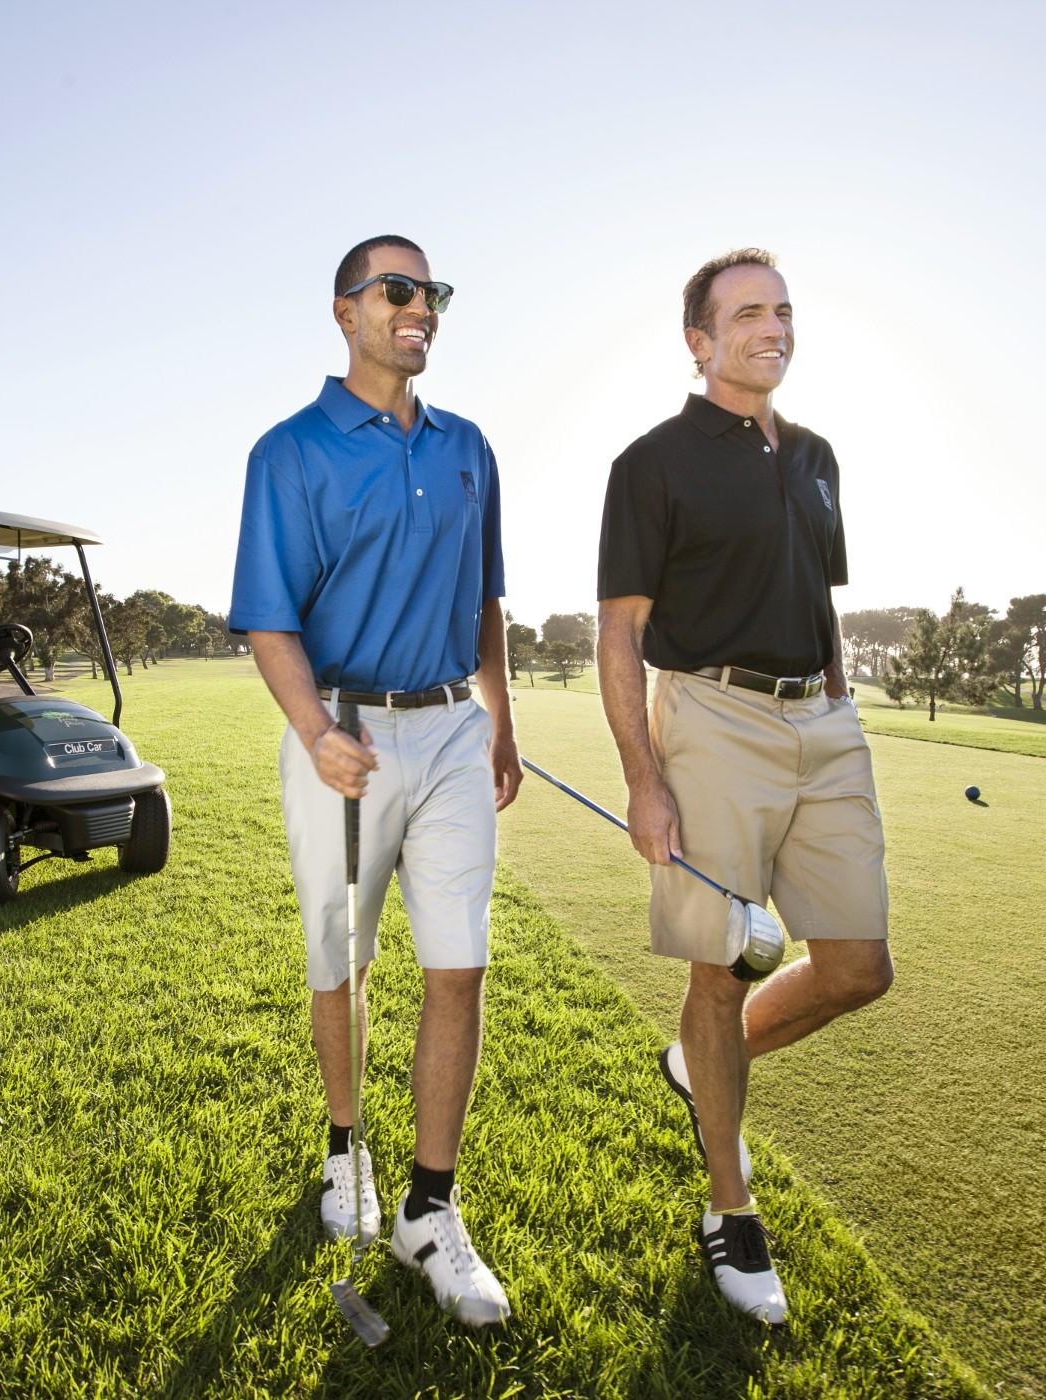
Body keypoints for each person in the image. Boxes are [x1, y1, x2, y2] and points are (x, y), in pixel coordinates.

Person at [595, 248, 893, 1324]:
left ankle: (695, 1062)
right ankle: (732, 1205)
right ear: (700, 339)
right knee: (720, 967)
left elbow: (814, 589)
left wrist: (838, 700)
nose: (773, 326)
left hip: (824, 715)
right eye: (749, 312)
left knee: (860, 966)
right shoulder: (653, 461)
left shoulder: (817, 456)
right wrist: (644, 775)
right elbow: (620, 632)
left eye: (784, 310)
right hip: (713, 718)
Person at [228, 234, 522, 1328]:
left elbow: (486, 597)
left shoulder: (468, 447)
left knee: (459, 966)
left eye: (431, 291)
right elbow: (269, 614)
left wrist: (500, 720)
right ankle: (345, 1147)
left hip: (450, 728)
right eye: (397, 290)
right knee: (339, 960)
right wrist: (313, 731)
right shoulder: (291, 451)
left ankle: (429, 1209)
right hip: (342, 733)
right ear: (345, 311)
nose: (421, 307)